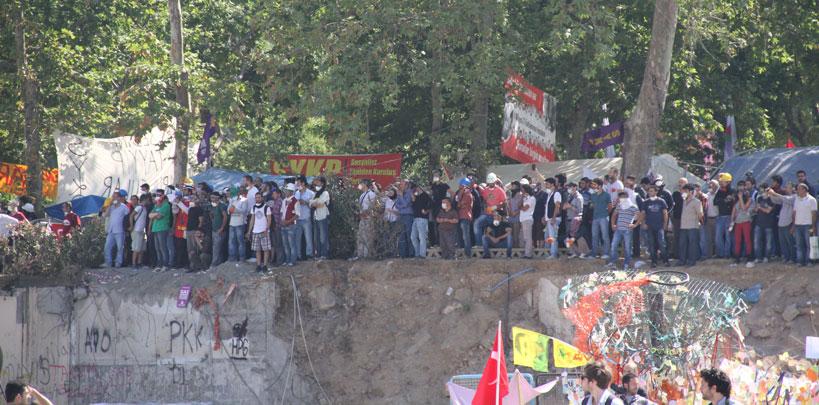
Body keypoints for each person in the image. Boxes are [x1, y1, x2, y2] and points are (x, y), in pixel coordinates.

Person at [608, 192, 641, 270]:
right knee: (613, 245)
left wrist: (635, 225)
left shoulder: (633, 206)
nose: (620, 199)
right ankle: (613, 261)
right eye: (620, 198)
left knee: (627, 247)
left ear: (626, 197)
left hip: (627, 231)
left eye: (622, 197)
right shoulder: (619, 206)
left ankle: (627, 263)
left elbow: (640, 216)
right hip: (618, 230)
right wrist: (613, 224)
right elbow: (614, 215)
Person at [473, 173, 507, 246]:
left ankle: (497, 246)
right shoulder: (485, 191)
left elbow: (504, 203)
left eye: (492, 182)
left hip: (497, 215)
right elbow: (484, 201)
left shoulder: (500, 190)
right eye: (489, 183)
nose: (491, 184)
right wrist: (486, 207)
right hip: (487, 214)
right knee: (477, 224)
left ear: (495, 181)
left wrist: (494, 208)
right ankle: (479, 245)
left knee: (496, 230)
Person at [641, 185, 669, 267]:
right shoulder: (646, 202)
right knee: (651, 244)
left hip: (659, 226)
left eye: (652, 191)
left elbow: (665, 213)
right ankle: (654, 261)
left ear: (656, 192)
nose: (650, 193)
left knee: (661, 243)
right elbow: (643, 213)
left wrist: (665, 224)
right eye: (649, 191)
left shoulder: (661, 201)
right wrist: (643, 223)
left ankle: (665, 260)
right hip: (649, 226)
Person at [768, 183, 796, 263]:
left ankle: (792, 258)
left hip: (788, 223)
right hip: (781, 223)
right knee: (783, 242)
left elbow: (787, 199)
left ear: (793, 189)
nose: (785, 189)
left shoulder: (794, 197)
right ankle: (786, 257)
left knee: (790, 242)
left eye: (787, 187)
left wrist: (774, 193)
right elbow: (776, 200)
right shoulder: (784, 197)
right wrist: (770, 194)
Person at [677, 184, 704, 267]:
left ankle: (692, 261)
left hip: (693, 226)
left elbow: (700, 214)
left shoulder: (697, 202)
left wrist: (700, 223)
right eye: (683, 191)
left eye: (685, 191)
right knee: (682, 244)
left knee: (692, 245)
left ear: (691, 192)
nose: (683, 192)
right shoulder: (683, 201)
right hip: (683, 226)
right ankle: (682, 261)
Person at [103, 190, 130, 268]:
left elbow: (128, 216)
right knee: (107, 246)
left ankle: (118, 262)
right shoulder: (111, 207)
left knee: (120, 247)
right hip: (111, 230)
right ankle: (108, 262)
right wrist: (109, 205)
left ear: (119, 198)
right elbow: (105, 215)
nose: (113, 198)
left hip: (120, 230)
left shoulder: (124, 207)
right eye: (112, 196)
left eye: (115, 197)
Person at [792, 182, 817, 267]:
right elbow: (794, 213)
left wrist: (813, 226)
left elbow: (814, 214)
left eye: (799, 189)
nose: (797, 191)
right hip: (798, 225)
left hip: (808, 225)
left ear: (804, 190)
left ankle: (808, 261)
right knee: (799, 244)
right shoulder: (796, 199)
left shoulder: (812, 200)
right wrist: (793, 225)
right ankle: (800, 261)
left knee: (808, 244)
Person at [730, 180, 755, 268]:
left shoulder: (749, 199)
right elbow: (734, 210)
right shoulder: (737, 199)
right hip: (738, 222)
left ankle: (749, 258)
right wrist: (732, 221)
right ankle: (737, 258)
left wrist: (740, 197)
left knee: (748, 240)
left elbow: (744, 208)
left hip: (746, 221)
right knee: (737, 241)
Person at [246, 190, 272, 272]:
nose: (257, 199)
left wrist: (266, 229)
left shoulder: (266, 207)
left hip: (264, 231)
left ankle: (264, 265)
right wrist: (249, 231)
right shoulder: (253, 207)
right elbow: (252, 220)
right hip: (255, 231)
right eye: (256, 197)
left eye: (259, 197)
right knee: (257, 250)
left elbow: (269, 219)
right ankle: (258, 265)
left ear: (262, 198)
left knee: (265, 249)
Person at [753, 183, 777, 263]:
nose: (761, 191)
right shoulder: (759, 198)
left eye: (762, 189)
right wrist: (756, 208)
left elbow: (768, 211)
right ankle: (758, 257)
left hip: (768, 224)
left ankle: (767, 257)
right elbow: (756, 209)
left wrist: (760, 207)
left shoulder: (772, 199)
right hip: (759, 223)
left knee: (768, 243)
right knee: (757, 241)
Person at [149, 190, 173, 271]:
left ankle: (165, 264)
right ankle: (159, 264)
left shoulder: (166, 205)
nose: (157, 196)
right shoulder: (156, 205)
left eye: (159, 195)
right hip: (155, 228)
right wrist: (156, 214)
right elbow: (150, 215)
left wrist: (155, 215)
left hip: (163, 228)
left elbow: (160, 217)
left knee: (163, 247)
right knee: (157, 247)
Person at [713, 173, 735, 258]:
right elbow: (715, 202)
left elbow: (729, 201)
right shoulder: (720, 191)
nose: (721, 183)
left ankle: (727, 254)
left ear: (728, 182)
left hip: (729, 216)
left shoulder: (733, 190)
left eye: (723, 181)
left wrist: (722, 201)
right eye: (721, 182)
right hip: (720, 216)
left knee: (728, 237)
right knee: (718, 237)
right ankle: (720, 254)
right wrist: (724, 201)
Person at [354, 179, 378, 259]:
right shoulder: (362, 195)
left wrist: (365, 213)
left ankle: (367, 255)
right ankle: (360, 255)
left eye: (361, 183)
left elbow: (372, 206)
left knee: (368, 236)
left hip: (368, 218)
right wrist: (359, 213)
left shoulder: (371, 194)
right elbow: (360, 207)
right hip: (362, 218)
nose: (359, 185)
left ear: (365, 184)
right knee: (360, 236)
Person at [590, 179, 612, 259]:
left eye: (594, 184)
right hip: (595, 218)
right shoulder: (593, 195)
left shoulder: (606, 195)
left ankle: (606, 253)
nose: (593, 186)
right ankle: (594, 253)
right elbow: (592, 205)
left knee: (605, 236)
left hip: (604, 217)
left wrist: (606, 214)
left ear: (600, 185)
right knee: (594, 236)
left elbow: (610, 206)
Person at [429, 170, 452, 247]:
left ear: (440, 176)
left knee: (442, 225)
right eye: (434, 175)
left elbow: (452, 194)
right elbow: (430, 195)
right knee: (435, 226)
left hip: (442, 208)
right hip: (434, 208)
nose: (435, 177)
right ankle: (437, 243)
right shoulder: (432, 186)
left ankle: (444, 243)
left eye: (437, 175)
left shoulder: (444, 185)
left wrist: (448, 203)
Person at [294, 177, 315, 260]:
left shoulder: (311, 193)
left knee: (308, 238)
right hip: (298, 218)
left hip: (307, 218)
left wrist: (305, 202)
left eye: (298, 183)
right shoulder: (296, 193)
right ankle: (298, 255)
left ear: (303, 183)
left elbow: (314, 205)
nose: (297, 185)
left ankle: (309, 254)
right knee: (297, 238)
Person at [310, 176, 331, 260]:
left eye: (318, 182)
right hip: (316, 217)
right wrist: (315, 203)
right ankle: (318, 254)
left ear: (322, 183)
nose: (316, 183)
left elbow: (321, 203)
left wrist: (315, 203)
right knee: (317, 237)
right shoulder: (315, 193)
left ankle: (324, 254)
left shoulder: (325, 193)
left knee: (323, 237)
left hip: (323, 216)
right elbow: (310, 203)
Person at [542, 178, 562, 259]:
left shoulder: (556, 194)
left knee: (552, 237)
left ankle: (553, 254)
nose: (546, 185)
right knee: (548, 236)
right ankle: (550, 253)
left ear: (552, 184)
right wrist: (545, 216)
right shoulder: (550, 193)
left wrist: (553, 218)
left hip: (554, 219)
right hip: (549, 219)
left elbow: (557, 206)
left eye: (547, 183)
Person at [410, 182, 432, 258]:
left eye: (417, 187)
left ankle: (422, 255)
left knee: (422, 237)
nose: (416, 189)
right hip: (415, 219)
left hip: (422, 219)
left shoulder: (426, 195)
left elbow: (431, 204)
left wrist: (426, 211)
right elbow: (413, 204)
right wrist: (413, 197)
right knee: (413, 237)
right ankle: (417, 253)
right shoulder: (416, 197)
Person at [227, 186, 248, 262]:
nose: (239, 193)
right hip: (232, 223)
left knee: (240, 242)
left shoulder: (244, 200)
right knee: (231, 242)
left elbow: (244, 211)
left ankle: (242, 258)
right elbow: (228, 210)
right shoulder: (233, 200)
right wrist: (231, 209)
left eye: (241, 191)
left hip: (240, 223)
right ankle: (232, 258)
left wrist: (234, 209)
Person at [455, 178, 474, 258]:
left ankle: (468, 253)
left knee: (465, 236)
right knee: (459, 236)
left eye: (460, 184)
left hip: (465, 216)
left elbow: (459, 204)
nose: (458, 185)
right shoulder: (460, 192)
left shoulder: (467, 193)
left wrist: (458, 203)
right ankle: (460, 253)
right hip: (460, 216)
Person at [280, 183, 299, 266]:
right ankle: (287, 260)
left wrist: (288, 222)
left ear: (291, 191)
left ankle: (292, 261)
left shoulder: (296, 201)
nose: (285, 192)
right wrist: (282, 221)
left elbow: (297, 215)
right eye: (285, 190)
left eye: (287, 190)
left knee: (292, 244)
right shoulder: (284, 200)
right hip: (284, 225)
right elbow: (282, 212)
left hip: (291, 225)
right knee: (285, 244)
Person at [564, 183, 584, 258]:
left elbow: (580, 211)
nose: (569, 189)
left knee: (577, 238)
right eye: (568, 187)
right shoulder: (570, 197)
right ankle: (573, 252)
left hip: (576, 220)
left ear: (575, 187)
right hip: (569, 218)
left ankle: (582, 252)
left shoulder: (579, 197)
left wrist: (571, 206)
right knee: (568, 238)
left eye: (571, 187)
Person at [396, 179, 415, 258]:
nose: (400, 186)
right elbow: (397, 205)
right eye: (400, 185)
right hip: (400, 215)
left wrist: (401, 197)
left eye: (402, 184)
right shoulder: (399, 193)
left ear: (406, 185)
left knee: (409, 234)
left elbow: (406, 203)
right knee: (401, 235)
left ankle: (411, 253)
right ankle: (402, 254)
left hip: (408, 215)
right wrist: (402, 204)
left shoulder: (409, 192)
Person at [209, 191, 228, 268]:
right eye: (211, 197)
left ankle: (214, 264)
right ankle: (218, 264)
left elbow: (225, 217)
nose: (211, 199)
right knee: (216, 247)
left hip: (220, 230)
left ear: (217, 198)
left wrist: (222, 228)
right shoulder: (212, 206)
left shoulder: (221, 206)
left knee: (216, 248)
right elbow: (211, 215)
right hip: (214, 230)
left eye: (213, 197)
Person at [130, 195, 149, 269]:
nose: (148, 201)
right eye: (147, 200)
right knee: (136, 248)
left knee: (141, 248)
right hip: (137, 230)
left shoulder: (144, 208)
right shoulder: (139, 207)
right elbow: (131, 216)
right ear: (144, 200)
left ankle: (139, 262)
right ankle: (134, 263)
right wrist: (131, 226)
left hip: (142, 230)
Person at [704, 180, 720, 258]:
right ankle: (709, 254)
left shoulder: (719, 195)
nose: (710, 186)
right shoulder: (707, 196)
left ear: (716, 186)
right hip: (708, 219)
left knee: (717, 238)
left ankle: (717, 254)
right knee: (709, 238)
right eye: (710, 184)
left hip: (717, 219)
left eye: (712, 185)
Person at [519, 184, 536, 259]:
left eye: (522, 190)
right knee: (523, 237)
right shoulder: (525, 198)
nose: (521, 191)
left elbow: (525, 208)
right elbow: (519, 205)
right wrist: (522, 198)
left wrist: (520, 207)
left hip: (528, 219)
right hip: (523, 219)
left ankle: (528, 254)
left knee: (528, 237)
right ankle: (527, 252)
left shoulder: (531, 198)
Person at [507, 181, 523, 248]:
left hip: (517, 217)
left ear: (517, 187)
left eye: (513, 186)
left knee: (516, 235)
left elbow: (522, 206)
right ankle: (512, 249)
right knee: (511, 234)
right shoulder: (511, 195)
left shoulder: (521, 195)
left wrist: (515, 213)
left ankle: (516, 250)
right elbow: (509, 205)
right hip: (511, 217)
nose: (512, 187)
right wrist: (510, 212)